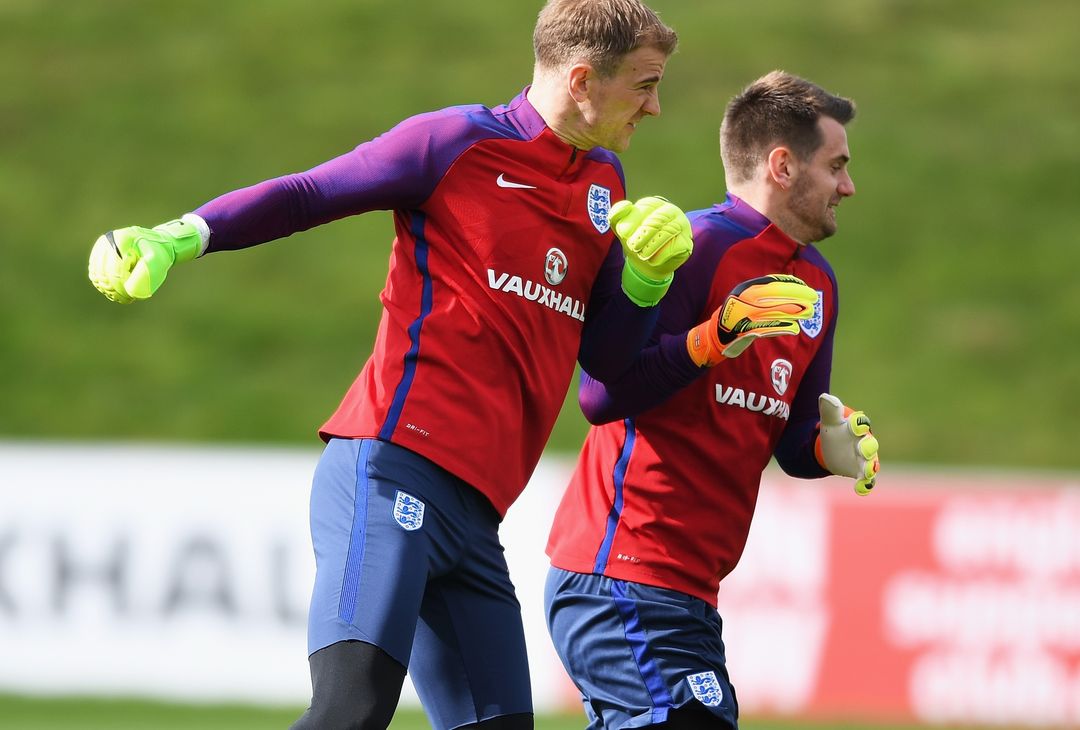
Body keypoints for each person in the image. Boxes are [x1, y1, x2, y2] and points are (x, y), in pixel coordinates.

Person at [86, 2, 690, 728]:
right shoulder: (457, 143)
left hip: (476, 518)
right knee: (351, 708)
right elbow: (310, 192)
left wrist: (645, 284)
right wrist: (182, 236)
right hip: (390, 469)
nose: (655, 106)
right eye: (645, 84)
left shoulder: (606, 188)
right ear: (584, 79)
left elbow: (604, 364)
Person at [544, 70, 882, 729]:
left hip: (690, 591)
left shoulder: (818, 285)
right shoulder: (693, 250)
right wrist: (714, 338)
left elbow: (790, 444)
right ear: (783, 165)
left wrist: (828, 450)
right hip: (620, 572)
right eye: (836, 165)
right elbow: (600, 393)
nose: (849, 186)